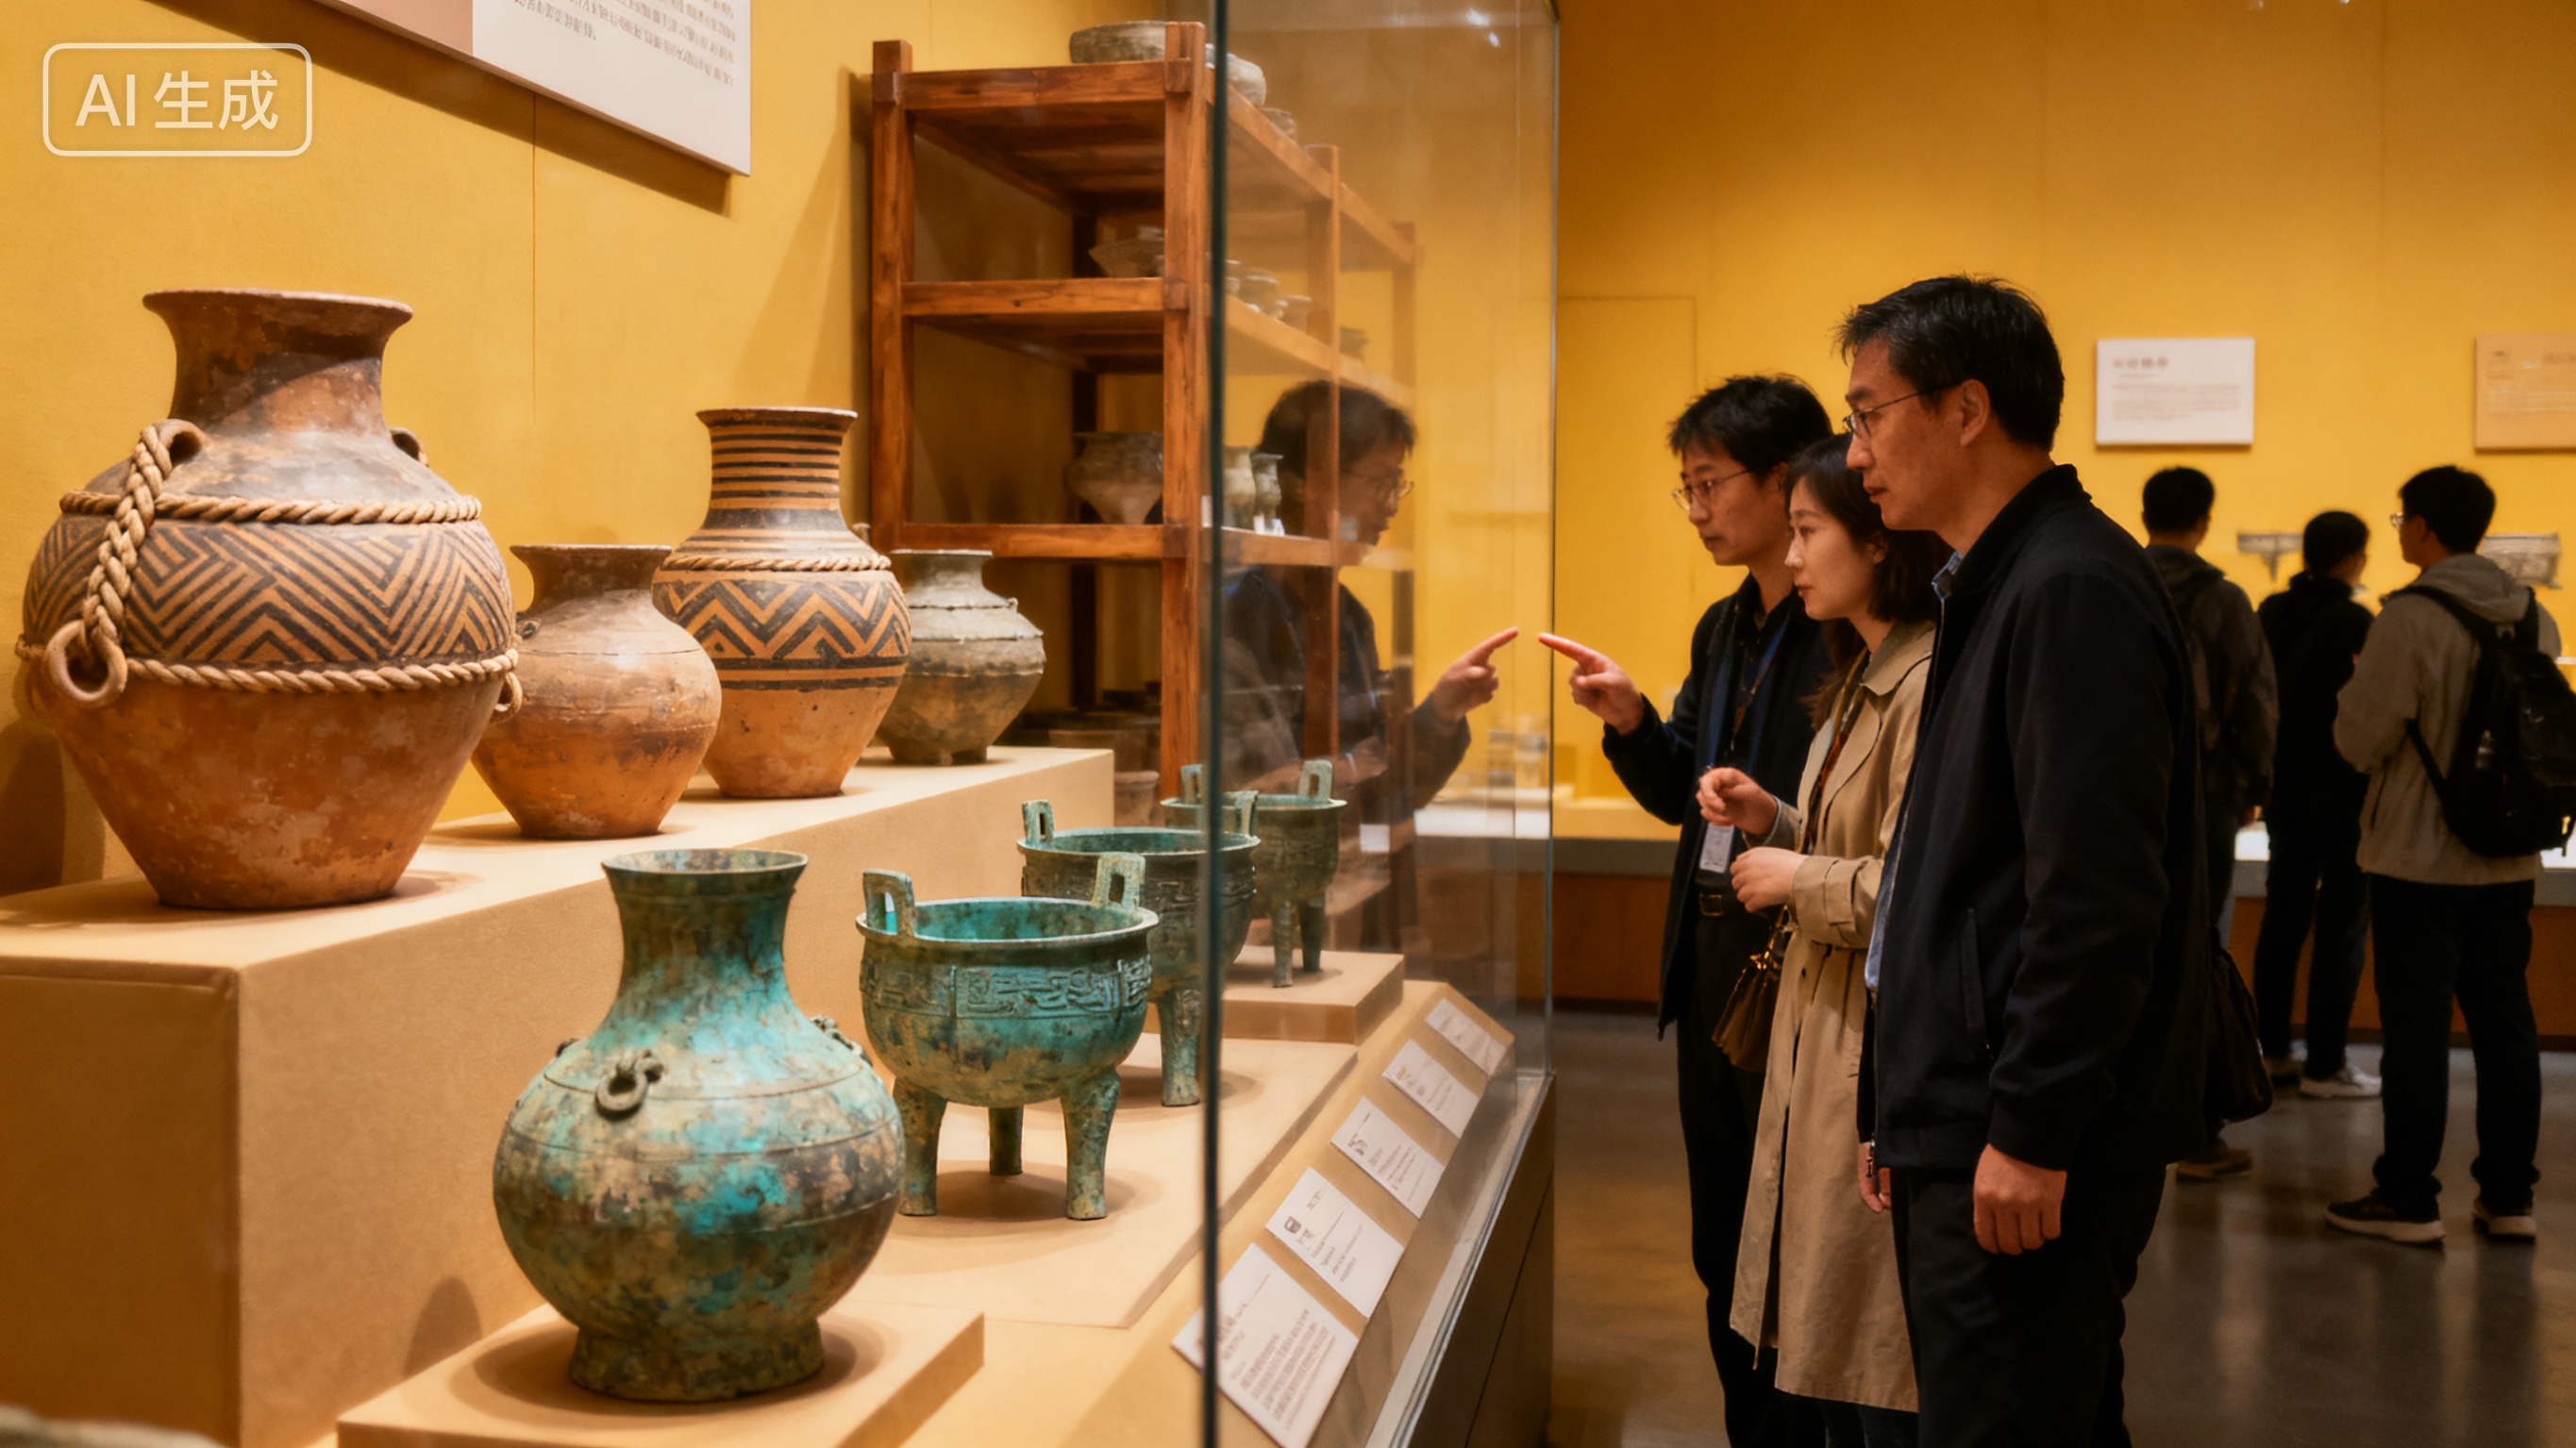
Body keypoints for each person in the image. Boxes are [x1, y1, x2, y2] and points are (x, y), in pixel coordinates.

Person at [1840, 275, 2210, 1445]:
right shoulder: (1999, 581)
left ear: (1966, 408)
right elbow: (1955, 873)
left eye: (1868, 413)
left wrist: (2033, 1127)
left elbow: (2095, 899)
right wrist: (1896, 1101)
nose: (1854, 454)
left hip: (2014, 1132)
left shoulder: (2068, 586)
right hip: (1968, 1111)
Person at [1541, 375, 1839, 1448]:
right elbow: (1688, 797)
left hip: (1805, 964)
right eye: (1688, 489)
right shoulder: (1726, 626)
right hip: (1714, 960)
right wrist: (1631, 723)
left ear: (1784, 478)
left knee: (1794, 1241)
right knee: (1723, 1239)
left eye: (1711, 484)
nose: (1699, 509)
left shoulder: (1842, 626)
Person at [1699, 434, 1948, 1448]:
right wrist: (1777, 821)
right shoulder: (1859, 670)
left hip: (1871, 1055)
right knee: (1832, 1357)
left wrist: (1796, 878)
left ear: (1878, 542)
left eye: (1808, 531)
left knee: (1873, 1368)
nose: (1793, 557)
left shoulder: (1924, 678)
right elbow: (1854, 842)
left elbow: (1920, 890)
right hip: (1824, 1041)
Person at [2324, 466, 2552, 1245]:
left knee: (2417, 1031)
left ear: (2422, 526)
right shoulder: (2534, 615)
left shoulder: (2408, 618)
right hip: (2509, 855)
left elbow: (2361, 740)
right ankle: (2510, 1197)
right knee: (2507, 1025)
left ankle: (2409, 1197)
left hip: (2417, 857)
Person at [1221, 382, 1514, 807]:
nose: (1392, 504)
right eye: (1378, 481)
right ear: (1299, 483)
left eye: (1397, 482)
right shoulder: (1239, 618)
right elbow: (1254, 794)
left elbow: (1380, 794)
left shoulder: (1349, 616)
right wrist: (1350, 768)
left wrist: (1441, 713)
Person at [2140, 466, 2278, 1183]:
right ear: (2203, 519)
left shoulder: (2116, 579)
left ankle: (2122, 1110)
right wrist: (2254, 785)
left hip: (2121, 798)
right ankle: (2194, 1129)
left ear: (2145, 515)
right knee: (2198, 949)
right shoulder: (2224, 598)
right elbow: (2256, 696)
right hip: (2205, 799)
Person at [2251, 511, 2379, 1101]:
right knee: (2343, 922)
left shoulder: (2272, 610)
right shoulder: (2355, 620)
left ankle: (2272, 1050)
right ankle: (2327, 1063)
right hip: (2344, 787)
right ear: (2353, 558)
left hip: (2284, 786)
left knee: (2283, 914)